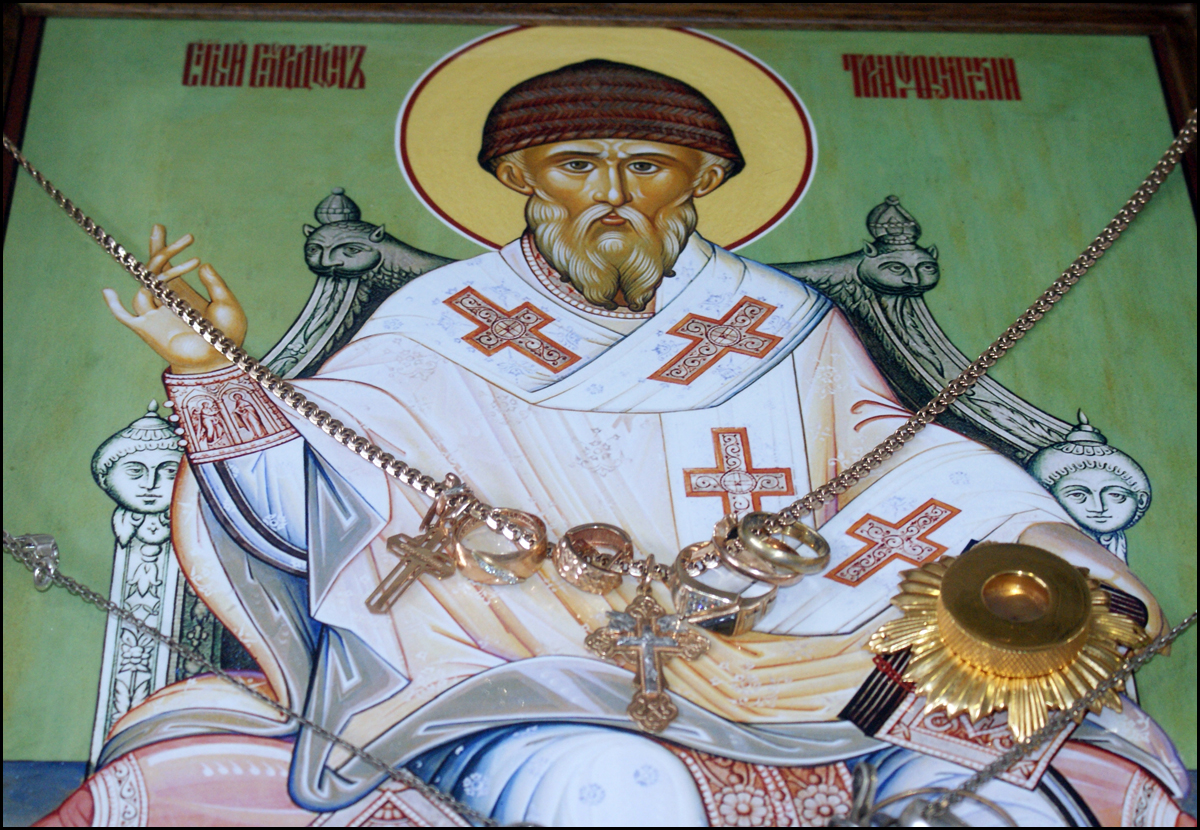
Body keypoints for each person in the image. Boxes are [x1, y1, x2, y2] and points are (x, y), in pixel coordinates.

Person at [46, 60, 1187, 827]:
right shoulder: (435, 328)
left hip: (799, 661)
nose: (612, 196)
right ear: (518, 179)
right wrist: (209, 372)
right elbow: (316, 507)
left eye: (646, 166)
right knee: (616, 787)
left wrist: (1044, 555)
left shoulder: (778, 323)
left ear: (703, 182)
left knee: (994, 790)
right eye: (576, 165)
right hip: (522, 671)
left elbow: (899, 464)